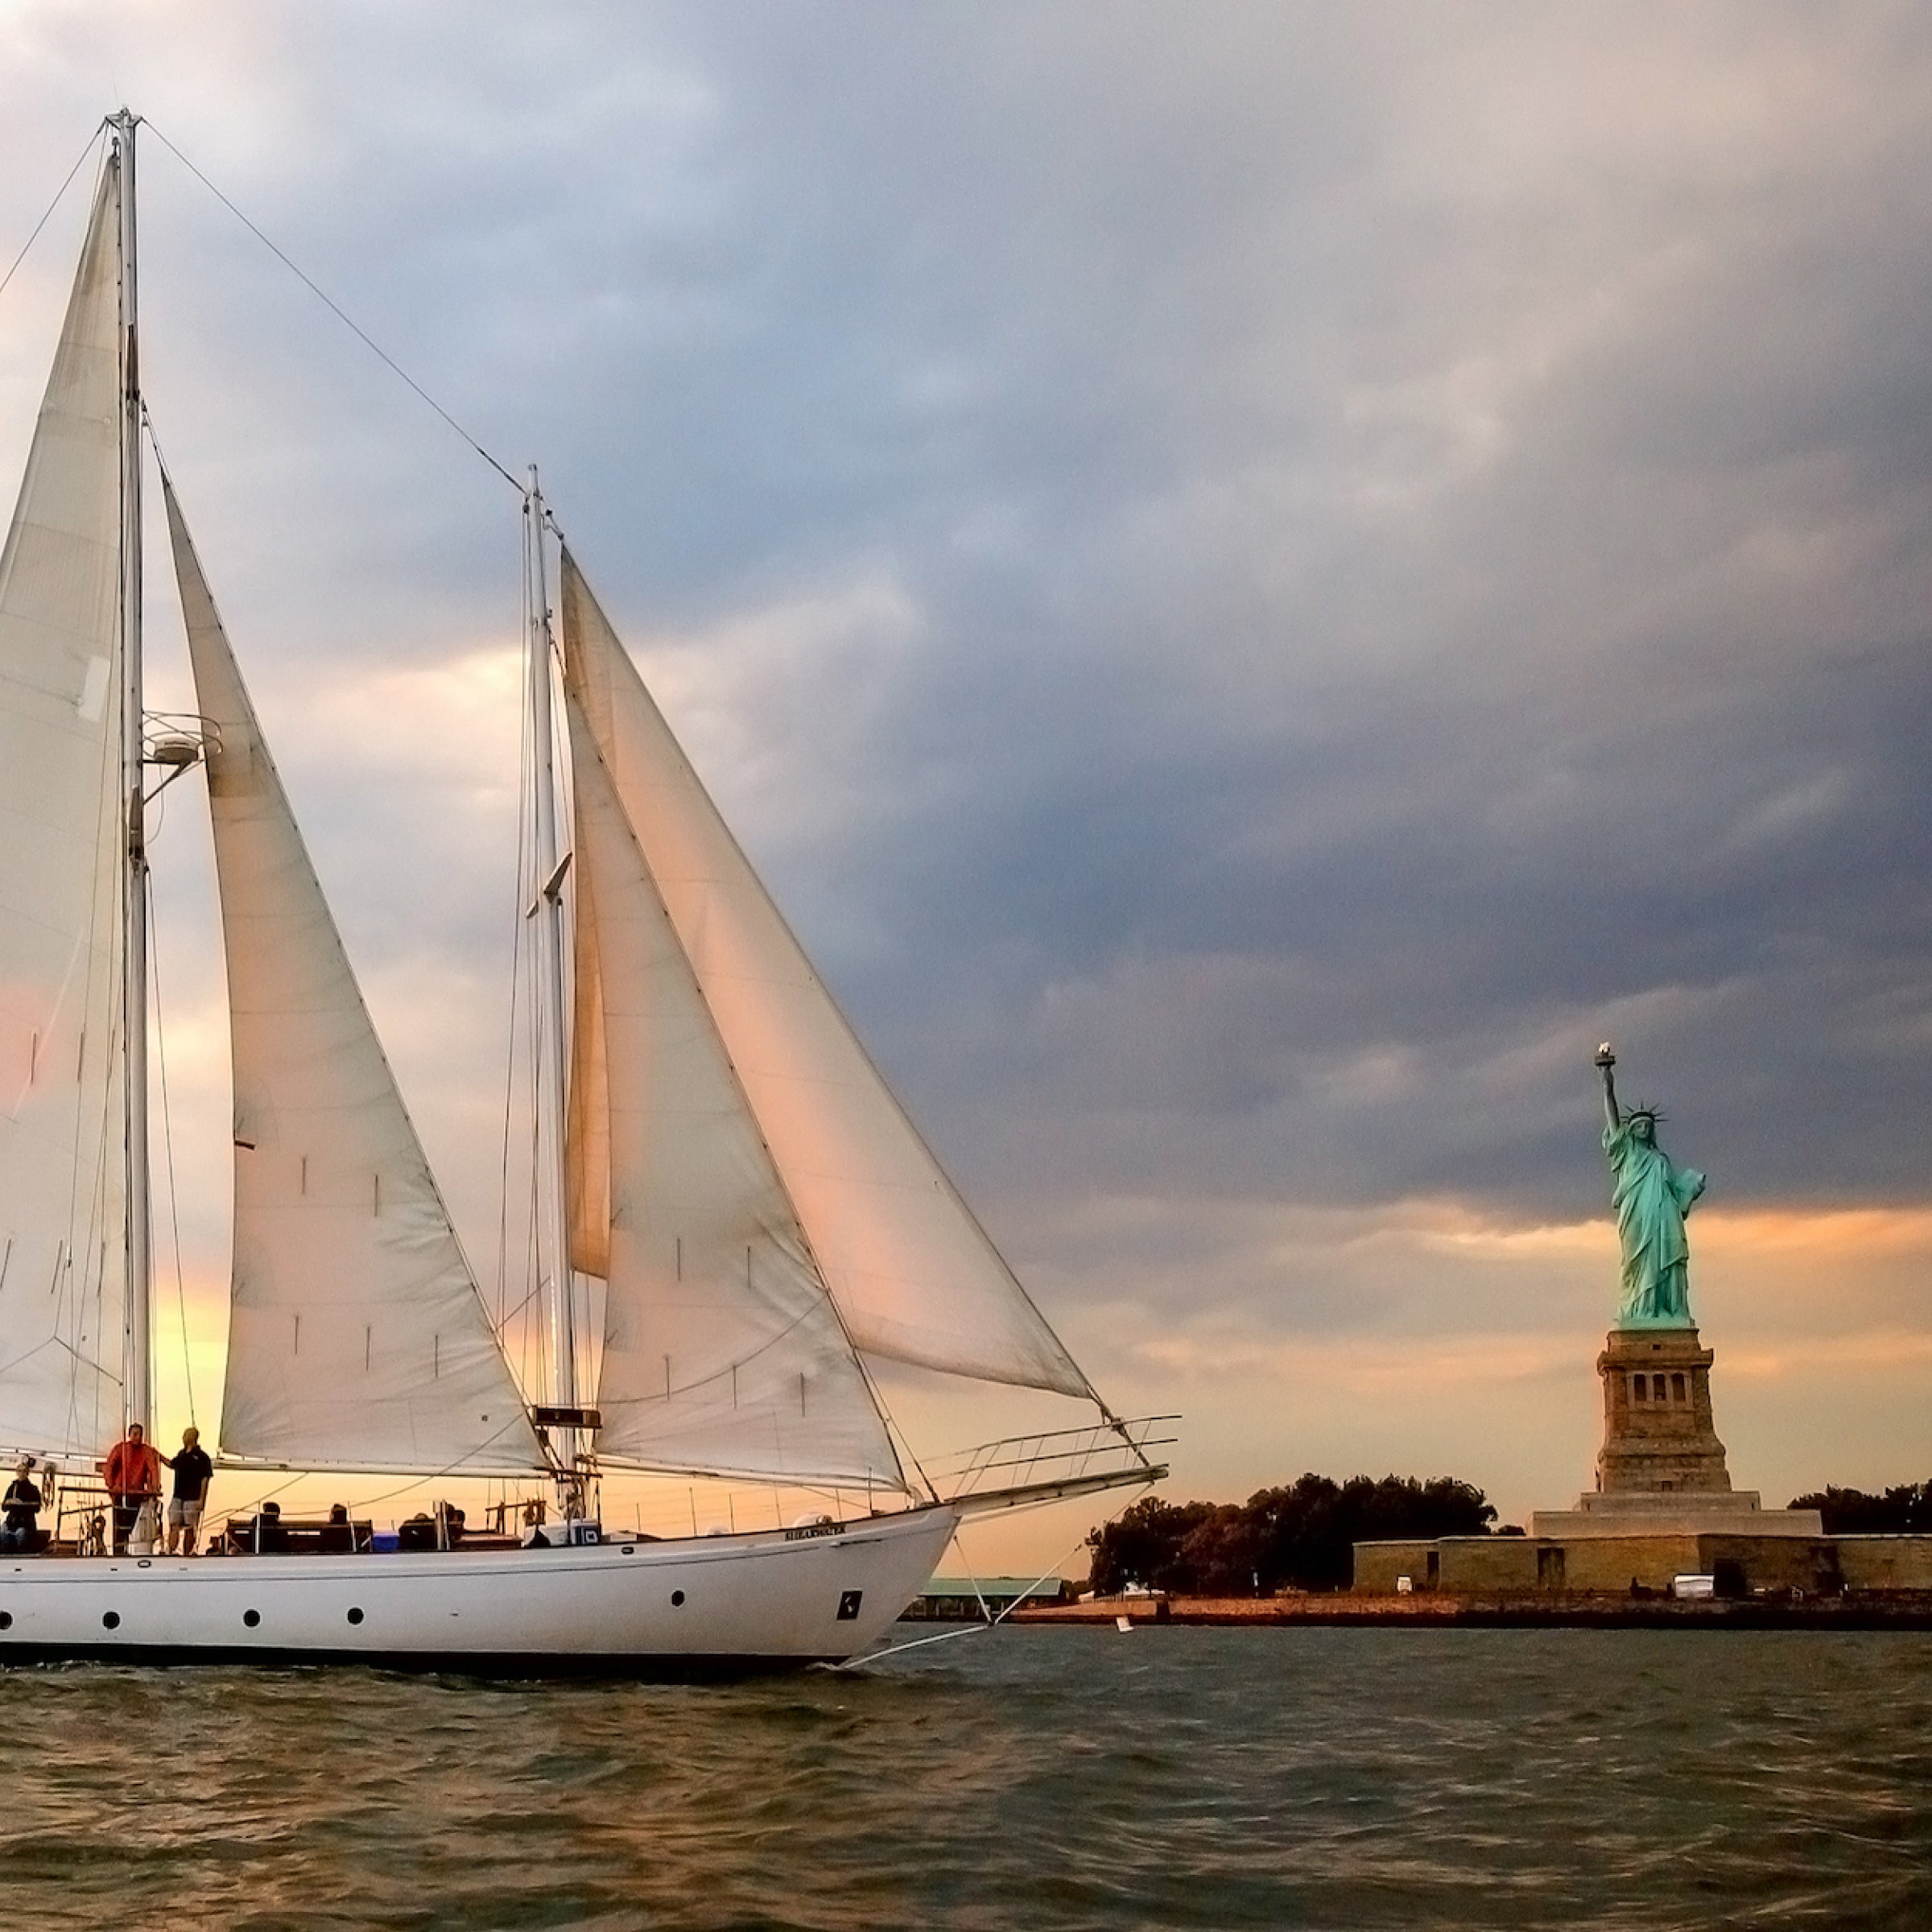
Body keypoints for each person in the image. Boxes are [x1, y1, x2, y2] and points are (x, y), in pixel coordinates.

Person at [1596, 1046, 1706, 1328]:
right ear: (1631, 1131)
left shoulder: (1661, 1160)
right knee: (1637, 1262)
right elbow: (1611, 1111)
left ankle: (1666, 1311)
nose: (1644, 1129)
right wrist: (1607, 1080)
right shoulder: (1627, 1150)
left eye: (1648, 1125)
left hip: (1664, 1216)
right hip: (1637, 1214)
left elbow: (1677, 1197)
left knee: (1666, 1258)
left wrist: (1691, 1189)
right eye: (1639, 1125)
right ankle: (1639, 1309)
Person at [102, 1422, 163, 1555]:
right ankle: (119, 1550)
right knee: (119, 1522)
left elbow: (153, 1469)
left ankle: (123, 1547)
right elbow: (109, 1466)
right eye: (135, 1434)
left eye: (140, 1434)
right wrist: (111, 1485)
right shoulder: (121, 1449)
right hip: (120, 1492)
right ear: (130, 1435)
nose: (137, 1437)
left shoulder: (146, 1451)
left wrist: (155, 1487)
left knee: (130, 1522)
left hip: (136, 1493)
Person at [160, 1426, 214, 1557]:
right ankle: (171, 1550)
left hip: (193, 1497)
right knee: (174, 1523)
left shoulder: (202, 1458)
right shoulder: (182, 1454)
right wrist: (158, 1456)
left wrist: (202, 1499)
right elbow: (172, 1464)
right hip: (178, 1495)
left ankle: (187, 1552)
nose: (183, 1438)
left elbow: (205, 1479)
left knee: (190, 1527)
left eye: (185, 1436)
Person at [0, 1457, 42, 1553]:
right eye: (19, 1471)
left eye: (24, 1471)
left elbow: (37, 1508)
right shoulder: (12, 1487)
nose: (21, 1473)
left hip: (26, 1523)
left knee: (21, 1534)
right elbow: (4, 1507)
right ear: (17, 1472)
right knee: (2, 1533)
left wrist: (23, 1504)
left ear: (27, 1473)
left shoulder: (33, 1489)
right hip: (11, 1521)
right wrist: (9, 1502)